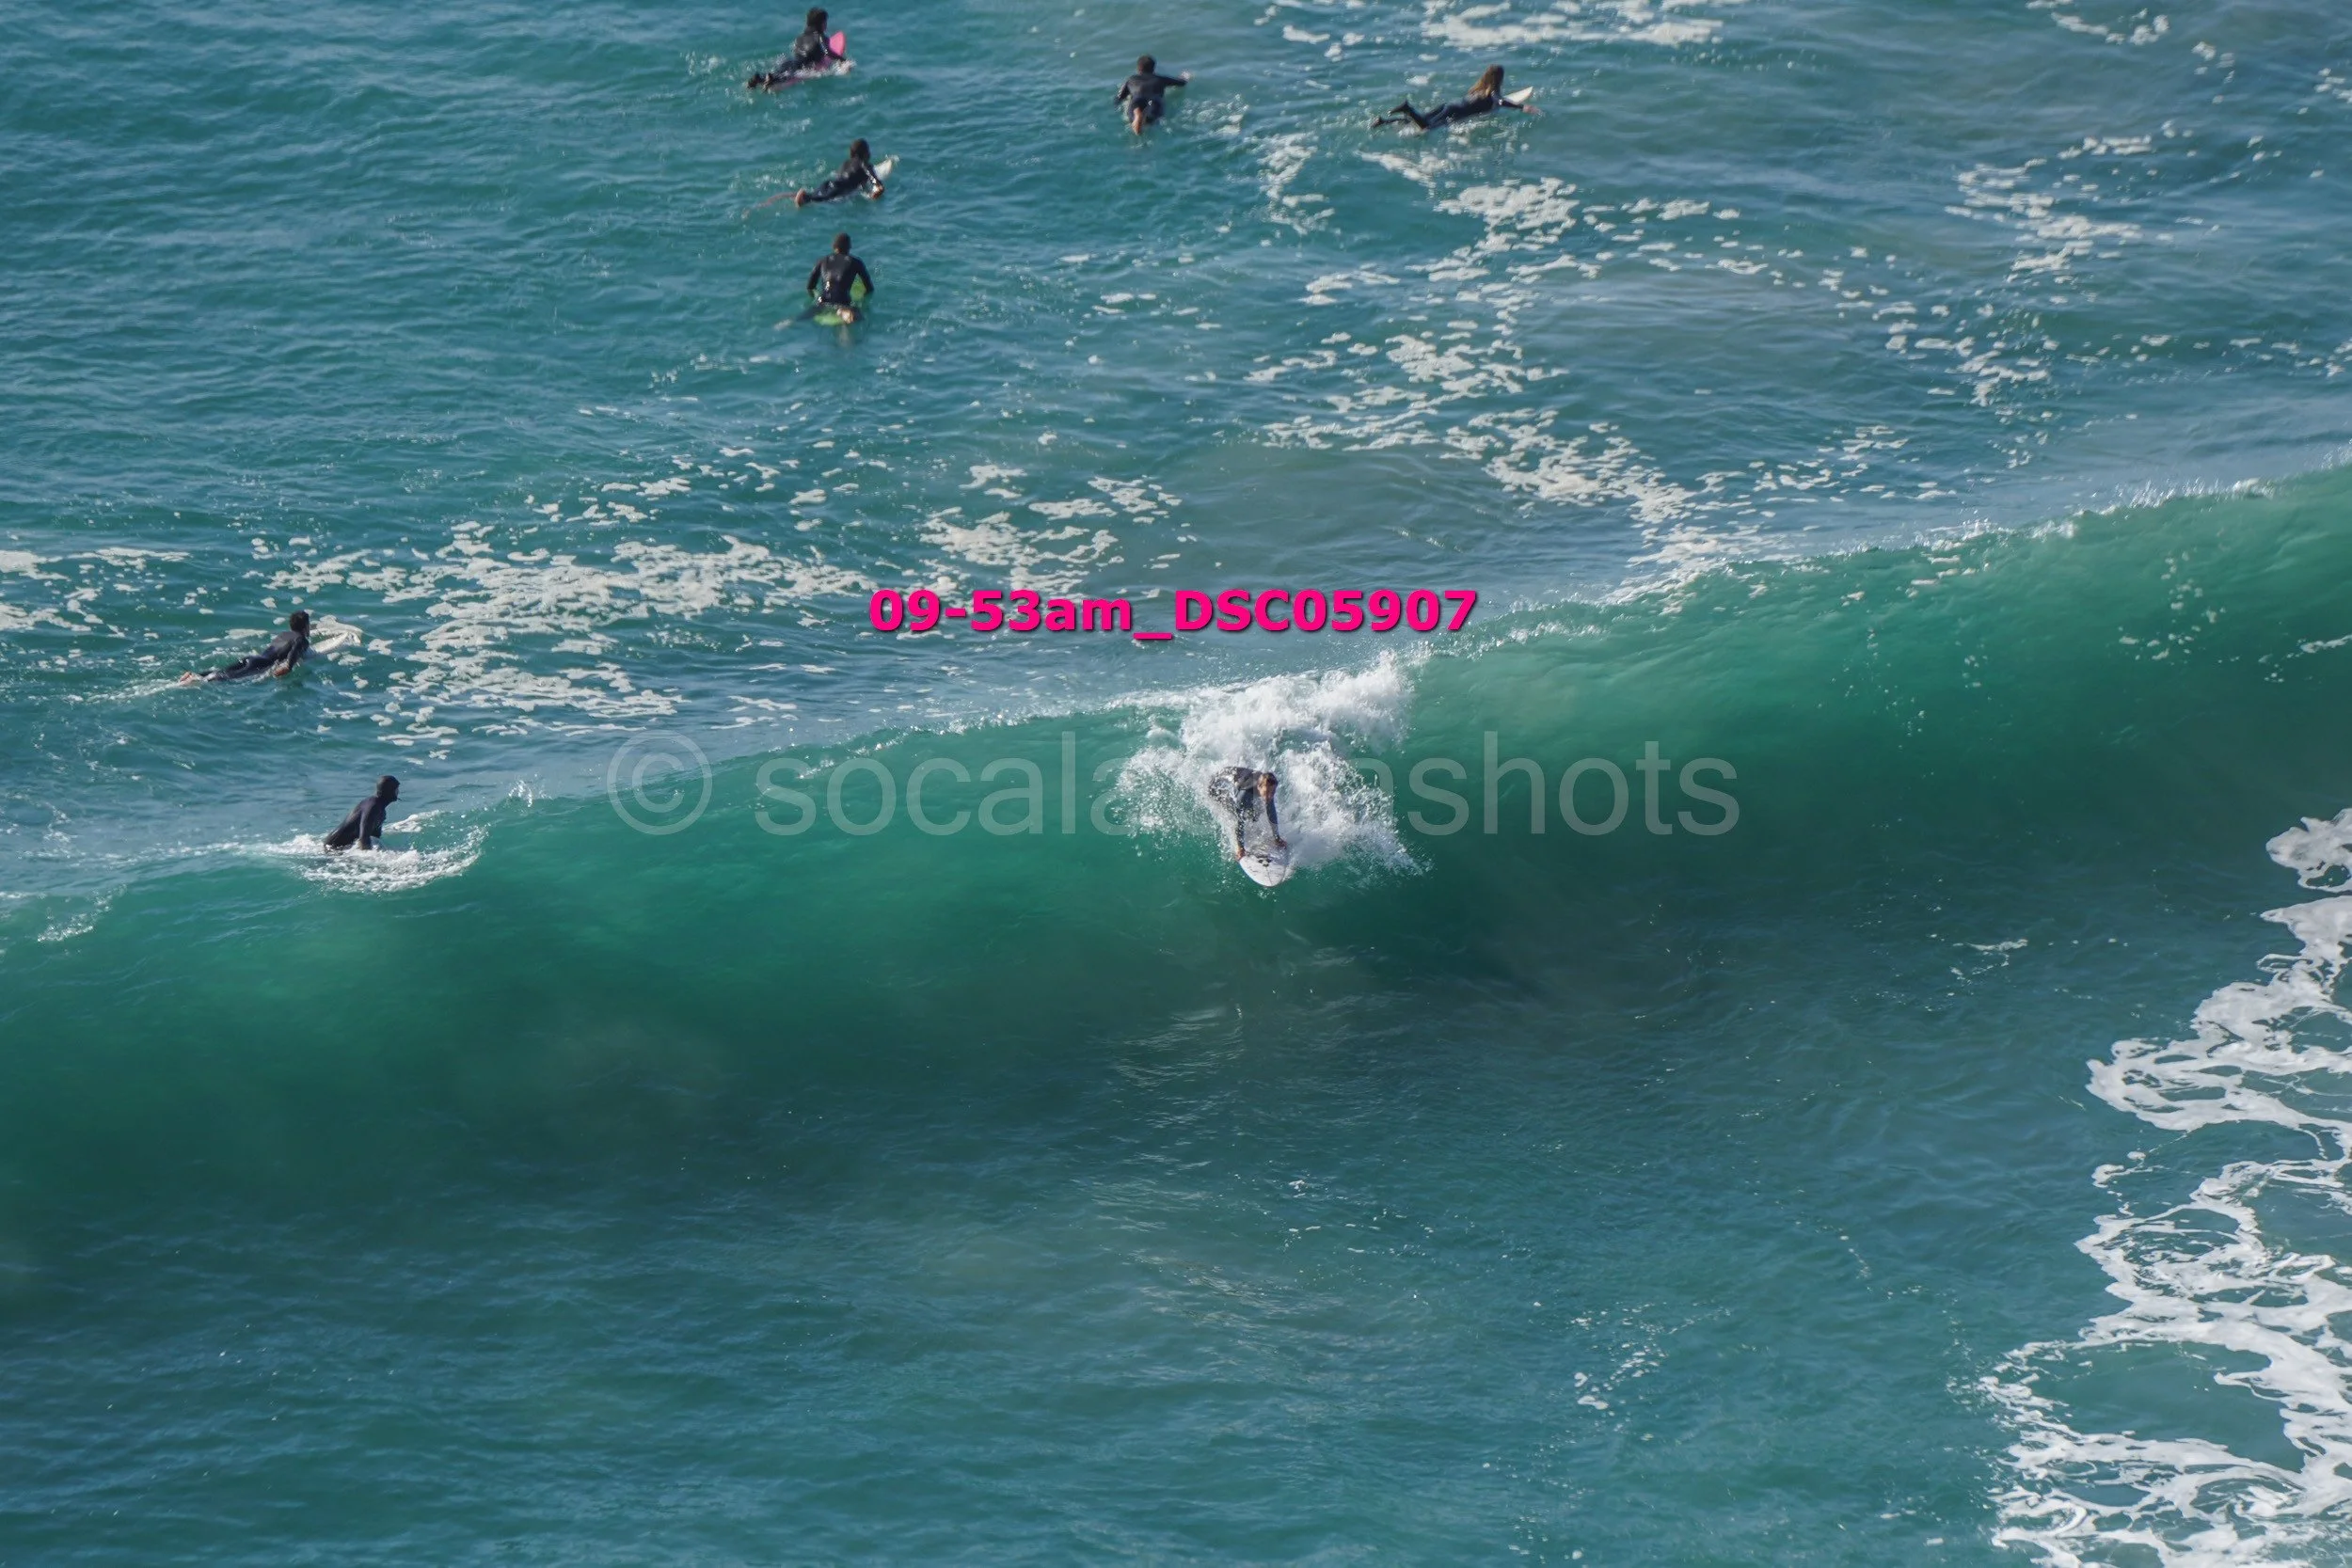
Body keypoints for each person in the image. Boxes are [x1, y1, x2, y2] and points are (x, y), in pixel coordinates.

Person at [1373, 65, 1533, 132]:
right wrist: (1522, 107)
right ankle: (1408, 109)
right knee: (1426, 128)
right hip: (1454, 112)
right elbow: (1500, 101)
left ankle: (1384, 121)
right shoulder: (1492, 93)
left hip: (1449, 105)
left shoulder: (1479, 88)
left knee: (1421, 119)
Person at [181, 610, 310, 685]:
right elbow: (295, 650)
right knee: (227, 677)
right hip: (261, 664)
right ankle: (197, 681)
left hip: (253, 658)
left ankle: (194, 675)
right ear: (305, 626)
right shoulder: (301, 639)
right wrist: (288, 667)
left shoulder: (283, 634)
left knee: (223, 671)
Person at [750, 7, 844, 88]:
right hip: (803, 65)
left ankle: (760, 78)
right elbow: (828, 52)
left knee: (780, 73)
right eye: (825, 22)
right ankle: (771, 79)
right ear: (822, 24)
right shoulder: (820, 36)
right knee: (788, 76)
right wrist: (843, 60)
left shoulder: (800, 37)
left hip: (790, 61)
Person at [1211, 767, 1285, 858]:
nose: (1270, 796)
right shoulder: (1245, 795)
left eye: (1272, 792)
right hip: (1217, 781)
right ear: (1259, 787)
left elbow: (1271, 814)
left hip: (1244, 776)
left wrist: (1277, 838)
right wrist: (1241, 848)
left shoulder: (1268, 786)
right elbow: (1239, 822)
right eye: (1267, 792)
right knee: (1234, 810)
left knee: (1254, 815)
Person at [795, 139, 886, 207]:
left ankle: (805, 196)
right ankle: (804, 198)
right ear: (866, 154)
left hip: (829, 183)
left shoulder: (845, 163)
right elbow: (871, 176)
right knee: (820, 199)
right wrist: (878, 186)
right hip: (840, 188)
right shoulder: (864, 164)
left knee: (816, 195)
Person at [806, 232, 874, 321]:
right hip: (843, 302)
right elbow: (869, 288)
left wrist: (815, 297)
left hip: (823, 300)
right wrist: (863, 304)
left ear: (833, 246)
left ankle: (789, 323)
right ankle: (843, 314)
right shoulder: (856, 262)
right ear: (849, 247)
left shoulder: (822, 260)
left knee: (804, 316)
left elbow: (810, 287)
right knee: (858, 318)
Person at [1116, 55, 1190, 135]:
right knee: (1151, 120)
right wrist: (1185, 76)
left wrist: (1117, 104)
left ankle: (1137, 115)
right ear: (1153, 68)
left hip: (1136, 100)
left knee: (1133, 111)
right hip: (1153, 101)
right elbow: (1181, 83)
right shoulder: (1160, 79)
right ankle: (1144, 119)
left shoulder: (1131, 79)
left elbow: (1119, 98)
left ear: (1138, 68)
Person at [324, 776, 400, 853]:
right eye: (396, 789)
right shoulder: (373, 807)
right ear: (390, 791)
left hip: (342, 848)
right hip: (333, 848)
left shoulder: (379, 809)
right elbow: (364, 839)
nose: (398, 792)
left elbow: (374, 838)